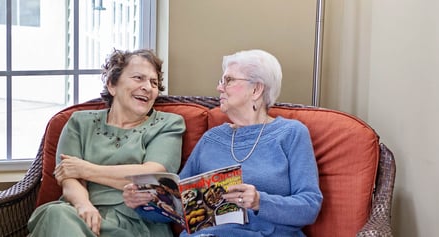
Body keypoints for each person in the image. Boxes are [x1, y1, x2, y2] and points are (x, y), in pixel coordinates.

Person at [123, 49, 323, 237]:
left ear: (256, 89)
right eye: (221, 80)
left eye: (228, 80)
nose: (219, 87)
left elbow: (309, 206)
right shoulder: (212, 138)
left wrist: (260, 201)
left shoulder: (291, 134)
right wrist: (145, 202)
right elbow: (180, 204)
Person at [28, 48, 186, 237]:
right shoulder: (79, 122)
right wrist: (84, 206)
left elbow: (152, 177)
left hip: (137, 223)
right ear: (112, 84)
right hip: (80, 216)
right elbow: (68, 177)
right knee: (56, 213)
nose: (148, 87)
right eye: (138, 78)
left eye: (154, 82)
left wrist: (84, 169)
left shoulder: (168, 124)